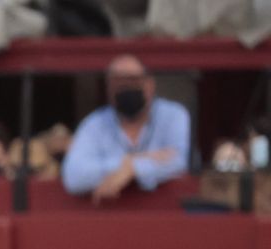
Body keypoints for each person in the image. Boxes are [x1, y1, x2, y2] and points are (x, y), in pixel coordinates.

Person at [61, 55, 190, 202]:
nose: (127, 90)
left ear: (150, 84)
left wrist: (133, 169)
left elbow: (182, 160)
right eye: (120, 85)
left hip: (168, 214)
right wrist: (129, 163)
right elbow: (74, 176)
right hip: (108, 217)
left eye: (133, 82)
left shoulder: (173, 115)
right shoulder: (94, 123)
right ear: (109, 89)